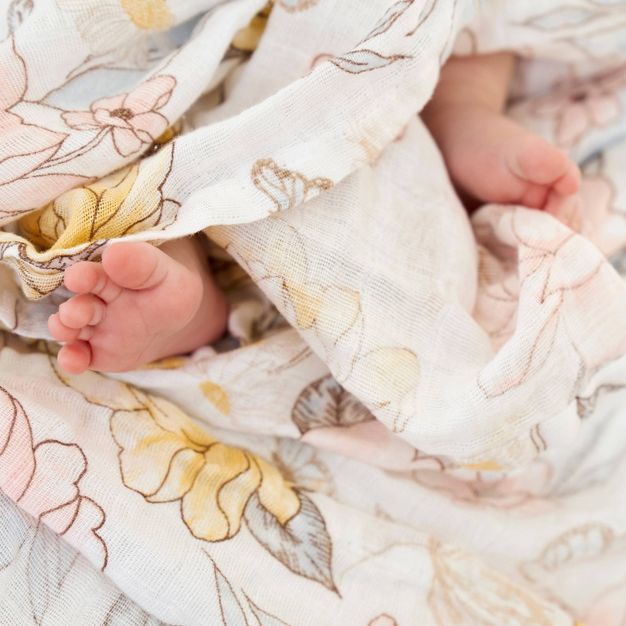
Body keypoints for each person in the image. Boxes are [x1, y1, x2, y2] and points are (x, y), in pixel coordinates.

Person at [48, 52, 581, 375]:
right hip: (163, 69)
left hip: (357, 65)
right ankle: (185, 289)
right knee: (118, 144)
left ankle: (461, 109)